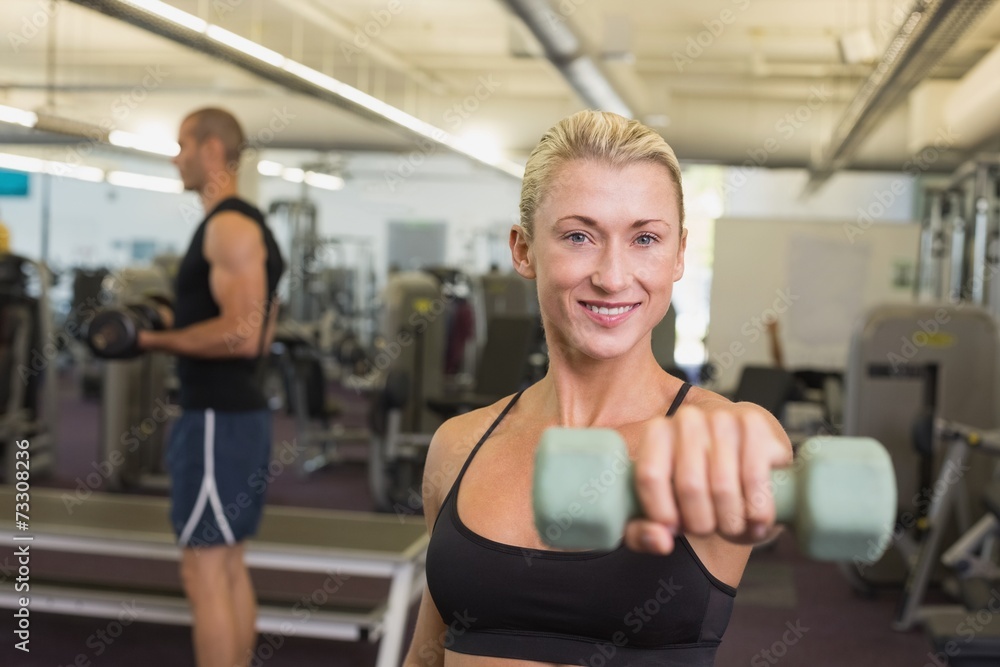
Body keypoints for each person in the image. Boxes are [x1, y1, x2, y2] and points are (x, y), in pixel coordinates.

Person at [404, 110, 793, 667]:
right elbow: (428, 653)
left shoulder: (724, 434)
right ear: (523, 250)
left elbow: (764, 466)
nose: (612, 277)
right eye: (579, 236)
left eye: (645, 238)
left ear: (679, 254)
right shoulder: (459, 444)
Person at [138, 108, 285, 667]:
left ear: (212, 151)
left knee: (203, 570)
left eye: (182, 145)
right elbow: (256, 326)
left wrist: (152, 340)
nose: (175, 158)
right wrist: (169, 320)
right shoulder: (246, 224)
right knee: (225, 564)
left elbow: (243, 336)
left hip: (217, 422)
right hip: (233, 418)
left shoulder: (229, 226)